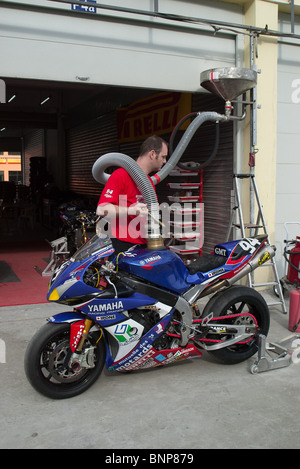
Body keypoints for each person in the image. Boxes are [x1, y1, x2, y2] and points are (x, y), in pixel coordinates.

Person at [96, 135, 168, 255]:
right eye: (163, 157)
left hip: (144, 245)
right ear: (152, 154)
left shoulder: (148, 181)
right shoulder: (120, 175)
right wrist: (131, 210)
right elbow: (101, 209)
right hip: (123, 246)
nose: (165, 161)